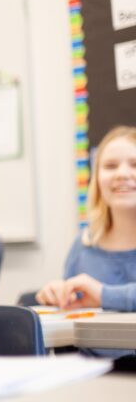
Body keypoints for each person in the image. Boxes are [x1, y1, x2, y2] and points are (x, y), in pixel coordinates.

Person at [36, 126, 136, 312]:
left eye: (135, 164)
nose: (122, 174)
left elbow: (99, 296)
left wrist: (103, 295)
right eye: (110, 166)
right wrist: (59, 296)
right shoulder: (84, 244)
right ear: (97, 179)